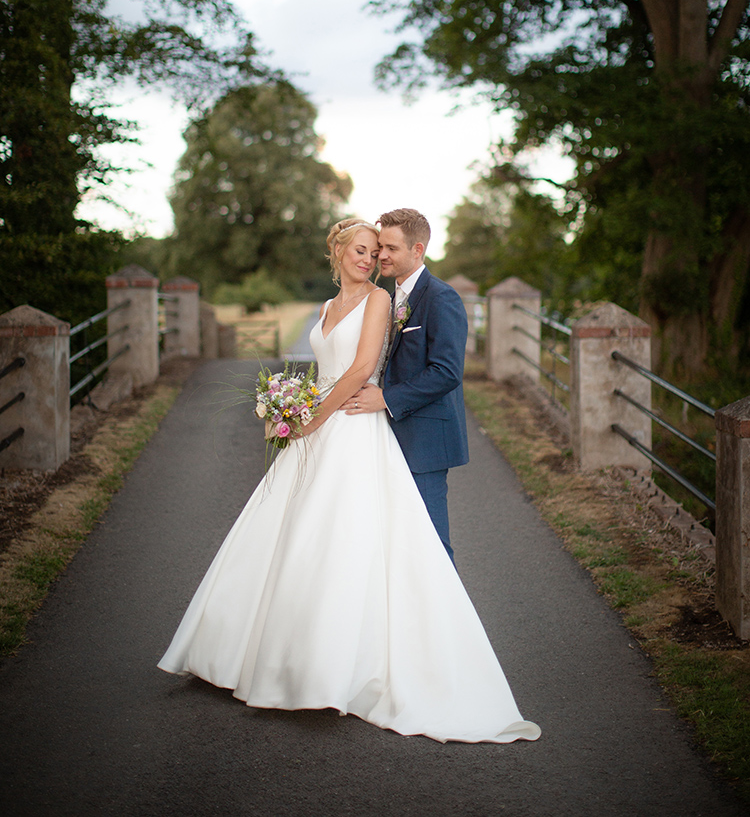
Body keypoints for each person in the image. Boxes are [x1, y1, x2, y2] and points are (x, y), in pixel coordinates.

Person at [158, 219, 540, 745]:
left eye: (379, 249)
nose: (371, 257)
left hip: (356, 426)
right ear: (337, 252)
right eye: (363, 249)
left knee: (406, 547)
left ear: (413, 249)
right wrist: (287, 409)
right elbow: (324, 371)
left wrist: (311, 419)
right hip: (323, 426)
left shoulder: (392, 300)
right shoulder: (327, 308)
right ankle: (277, 657)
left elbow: (365, 370)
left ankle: (429, 653)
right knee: (298, 541)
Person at [342, 208, 468, 561]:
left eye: (391, 248)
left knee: (431, 546)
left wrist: (386, 398)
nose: (381, 255)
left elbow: (446, 372)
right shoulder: (388, 298)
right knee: (395, 543)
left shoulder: (441, 298)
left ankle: (448, 617)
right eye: (380, 246)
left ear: (418, 251)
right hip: (385, 437)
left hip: (424, 442)